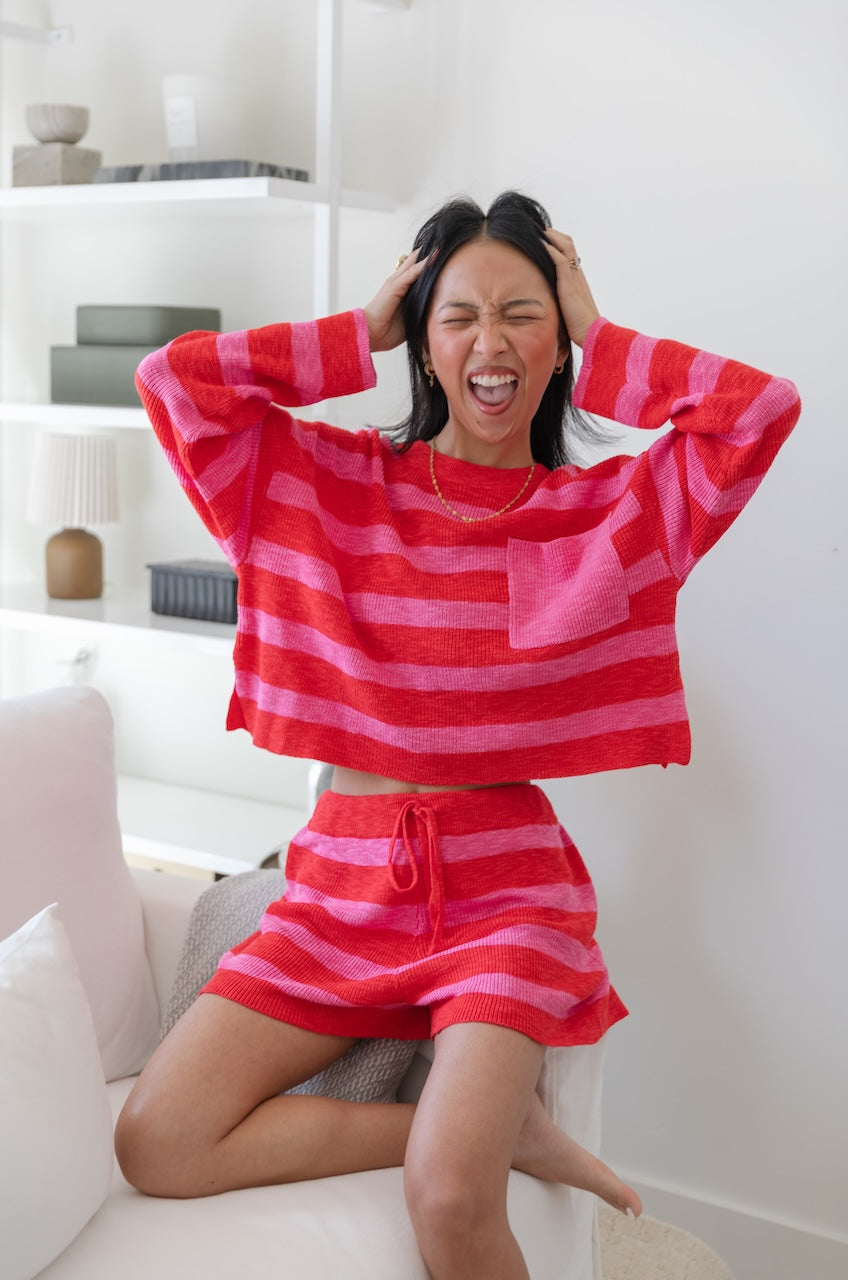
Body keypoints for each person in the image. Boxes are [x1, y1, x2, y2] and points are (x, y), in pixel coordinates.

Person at [115, 191, 800, 1280]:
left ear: (557, 341)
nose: (491, 341)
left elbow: (757, 411)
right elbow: (173, 382)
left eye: (522, 314)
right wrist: (358, 330)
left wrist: (600, 329)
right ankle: (493, 1130)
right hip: (338, 889)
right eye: (459, 315)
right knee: (157, 1138)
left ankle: (468, 1140)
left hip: (503, 894)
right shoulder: (313, 481)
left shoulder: (612, 513)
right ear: (423, 342)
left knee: (449, 1194)